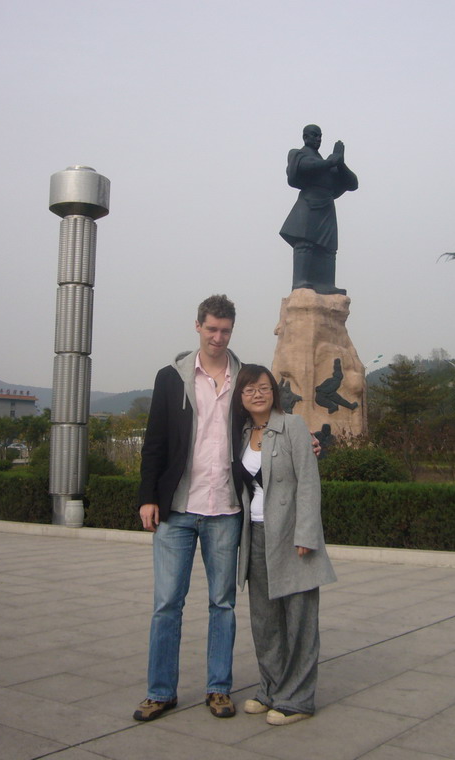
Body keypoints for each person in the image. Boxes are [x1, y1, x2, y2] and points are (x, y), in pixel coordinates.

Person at [134, 294, 242, 722]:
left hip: (225, 509)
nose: (218, 337)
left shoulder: (244, 376)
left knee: (223, 604)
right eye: (212, 328)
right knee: (166, 604)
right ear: (197, 326)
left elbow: (270, 421)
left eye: (226, 330)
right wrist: (147, 496)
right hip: (177, 509)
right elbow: (154, 441)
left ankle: (219, 688)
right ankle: (161, 691)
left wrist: (303, 440)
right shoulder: (171, 378)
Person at [231, 364, 337, 726]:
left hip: (291, 536)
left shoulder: (292, 425)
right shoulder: (243, 432)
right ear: (241, 398)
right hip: (256, 536)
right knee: (265, 620)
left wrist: (306, 534)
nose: (257, 394)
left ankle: (298, 698)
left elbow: (309, 483)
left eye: (263, 387)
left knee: (300, 620)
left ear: (274, 391)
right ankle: (271, 688)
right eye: (249, 390)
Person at [279, 124, 359, 295]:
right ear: (305, 137)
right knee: (305, 244)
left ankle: (326, 283)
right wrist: (331, 161)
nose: (318, 139)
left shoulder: (328, 163)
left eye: (320, 136)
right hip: (309, 202)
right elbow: (305, 166)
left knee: (329, 248)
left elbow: (353, 183)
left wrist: (340, 162)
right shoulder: (298, 154)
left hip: (327, 205)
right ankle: (300, 282)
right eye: (314, 135)